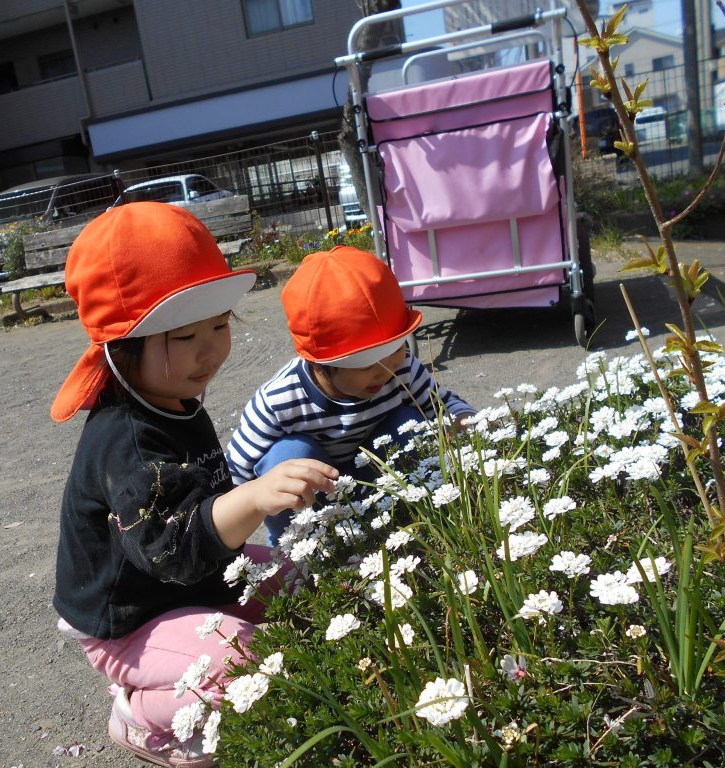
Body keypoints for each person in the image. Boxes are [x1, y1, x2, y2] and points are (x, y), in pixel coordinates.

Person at [49, 202, 339, 766]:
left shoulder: (174, 399)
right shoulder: (125, 440)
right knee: (240, 662)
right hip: (131, 618)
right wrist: (254, 496)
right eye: (185, 336)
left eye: (220, 324)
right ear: (120, 345)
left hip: (188, 586)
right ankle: (141, 717)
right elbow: (172, 552)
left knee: (306, 585)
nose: (211, 349)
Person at [226, 245, 476, 546]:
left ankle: (407, 521)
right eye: (367, 363)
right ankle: (298, 552)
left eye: (397, 350)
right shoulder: (278, 401)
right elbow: (235, 478)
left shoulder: (401, 371)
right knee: (288, 456)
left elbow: (443, 405)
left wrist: (465, 422)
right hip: (313, 507)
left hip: (378, 487)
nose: (385, 372)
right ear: (321, 362)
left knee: (411, 423)